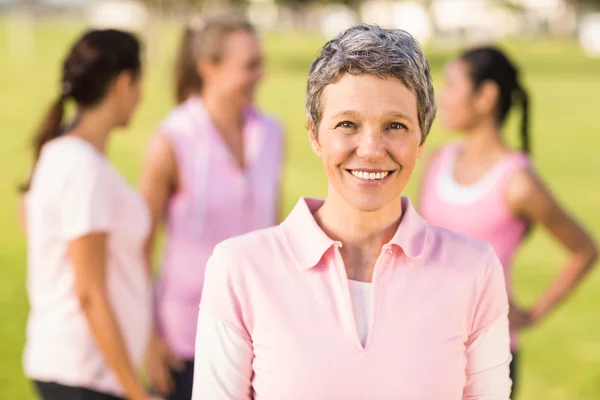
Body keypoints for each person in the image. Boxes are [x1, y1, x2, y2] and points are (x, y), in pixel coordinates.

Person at [191, 24, 512, 399]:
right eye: (347, 124)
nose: (372, 149)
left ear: (421, 137)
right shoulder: (239, 269)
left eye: (395, 125)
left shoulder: (474, 269)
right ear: (314, 134)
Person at [418, 46, 598, 396]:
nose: (444, 98)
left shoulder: (516, 183)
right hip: (425, 345)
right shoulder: (437, 160)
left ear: (486, 96)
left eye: (453, 85)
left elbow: (584, 250)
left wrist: (532, 314)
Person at [140, 11, 284, 400]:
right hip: (186, 339)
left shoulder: (272, 134)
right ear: (209, 68)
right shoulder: (171, 140)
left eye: (261, 63)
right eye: (250, 65)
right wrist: (149, 339)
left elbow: (276, 235)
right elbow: (140, 246)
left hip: (259, 336)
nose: (261, 75)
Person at [22, 29, 160, 400]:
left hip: (77, 373)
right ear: (123, 83)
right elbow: (89, 293)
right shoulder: (82, 167)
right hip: (84, 377)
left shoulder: (64, 156)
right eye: (139, 84)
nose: (140, 98)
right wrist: (137, 393)